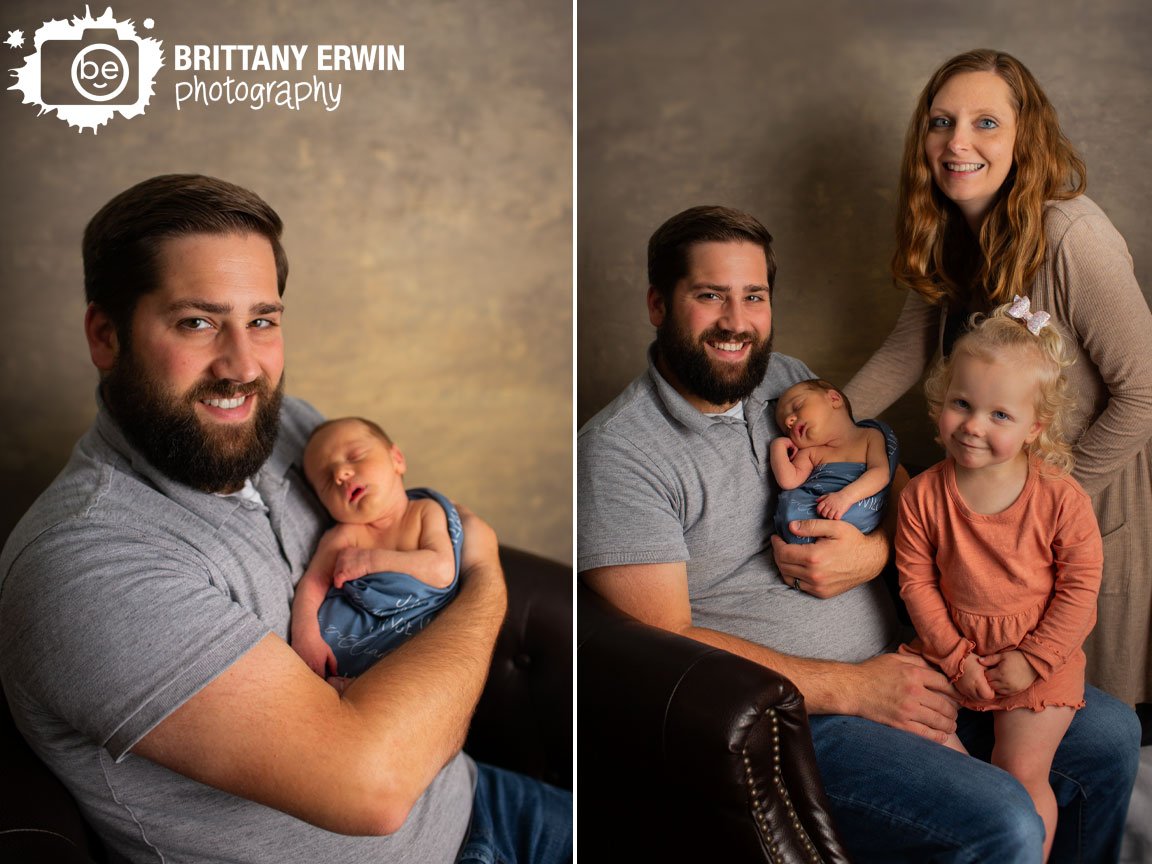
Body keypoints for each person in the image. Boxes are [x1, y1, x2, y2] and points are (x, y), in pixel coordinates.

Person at [0, 174, 571, 864]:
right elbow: (374, 788)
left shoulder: (289, 430)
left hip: (476, 798)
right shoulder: (87, 563)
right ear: (105, 335)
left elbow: (399, 513)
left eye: (262, 320)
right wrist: (485, 580)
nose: (242, 367)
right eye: (197, 322)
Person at [577, 204, 1139, 863]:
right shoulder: (619, 453)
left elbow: (905, 495)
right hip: (801, 719)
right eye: (709, 296)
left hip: (917, 656)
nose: (736, 322)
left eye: (753, 296)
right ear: (657, 304)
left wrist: (875, 555)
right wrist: (855, 688)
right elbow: (658, 647)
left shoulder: (786, 379)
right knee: (1003, 820)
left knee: (1109, 734)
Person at [843, 48, 1152, 707]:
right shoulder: (952, 232)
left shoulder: (1073, 238)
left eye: (986, 122)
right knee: (994, 711)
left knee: (1079, 719)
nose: (957, 142)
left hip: (1081, 510)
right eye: (941, 122)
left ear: (1025, 137)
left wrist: (1045, 502)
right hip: (983, 521)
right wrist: (821, 415)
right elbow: (907, 350)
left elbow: (1144, 393)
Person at [898, 300, 1102, 861]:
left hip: (1037, 658)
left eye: (999, 416)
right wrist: (954, 656)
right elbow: (916, 583)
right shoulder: (922, 495)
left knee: (1018, 774)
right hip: (952, 648)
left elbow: (1080, 591)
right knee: (918, 725)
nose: (972, 426)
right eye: (961, 404)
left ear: (1035, 427)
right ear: (943, 400)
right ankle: (974, 813)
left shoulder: (1060, 499)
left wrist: (1033, 660)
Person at [292, 416, 461, 680]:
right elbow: (312, 584)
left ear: (397, 459)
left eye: (355, 456)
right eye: (326, 478)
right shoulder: (344, 535)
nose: (340, 474)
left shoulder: (424, 512)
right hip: (350, 655)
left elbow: (442, 571)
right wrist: (307, 637)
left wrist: (371, 560)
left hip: (416, 652)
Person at [771, 378, 898, 544]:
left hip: (852, 511)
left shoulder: (869, 436)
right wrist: (778, 446)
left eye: (797, 407)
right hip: (811, 519)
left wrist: (845, 497)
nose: (789, 421)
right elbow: (788, 482)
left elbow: (881, 474)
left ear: (834, 399)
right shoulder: (810, 453)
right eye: (786, 429)